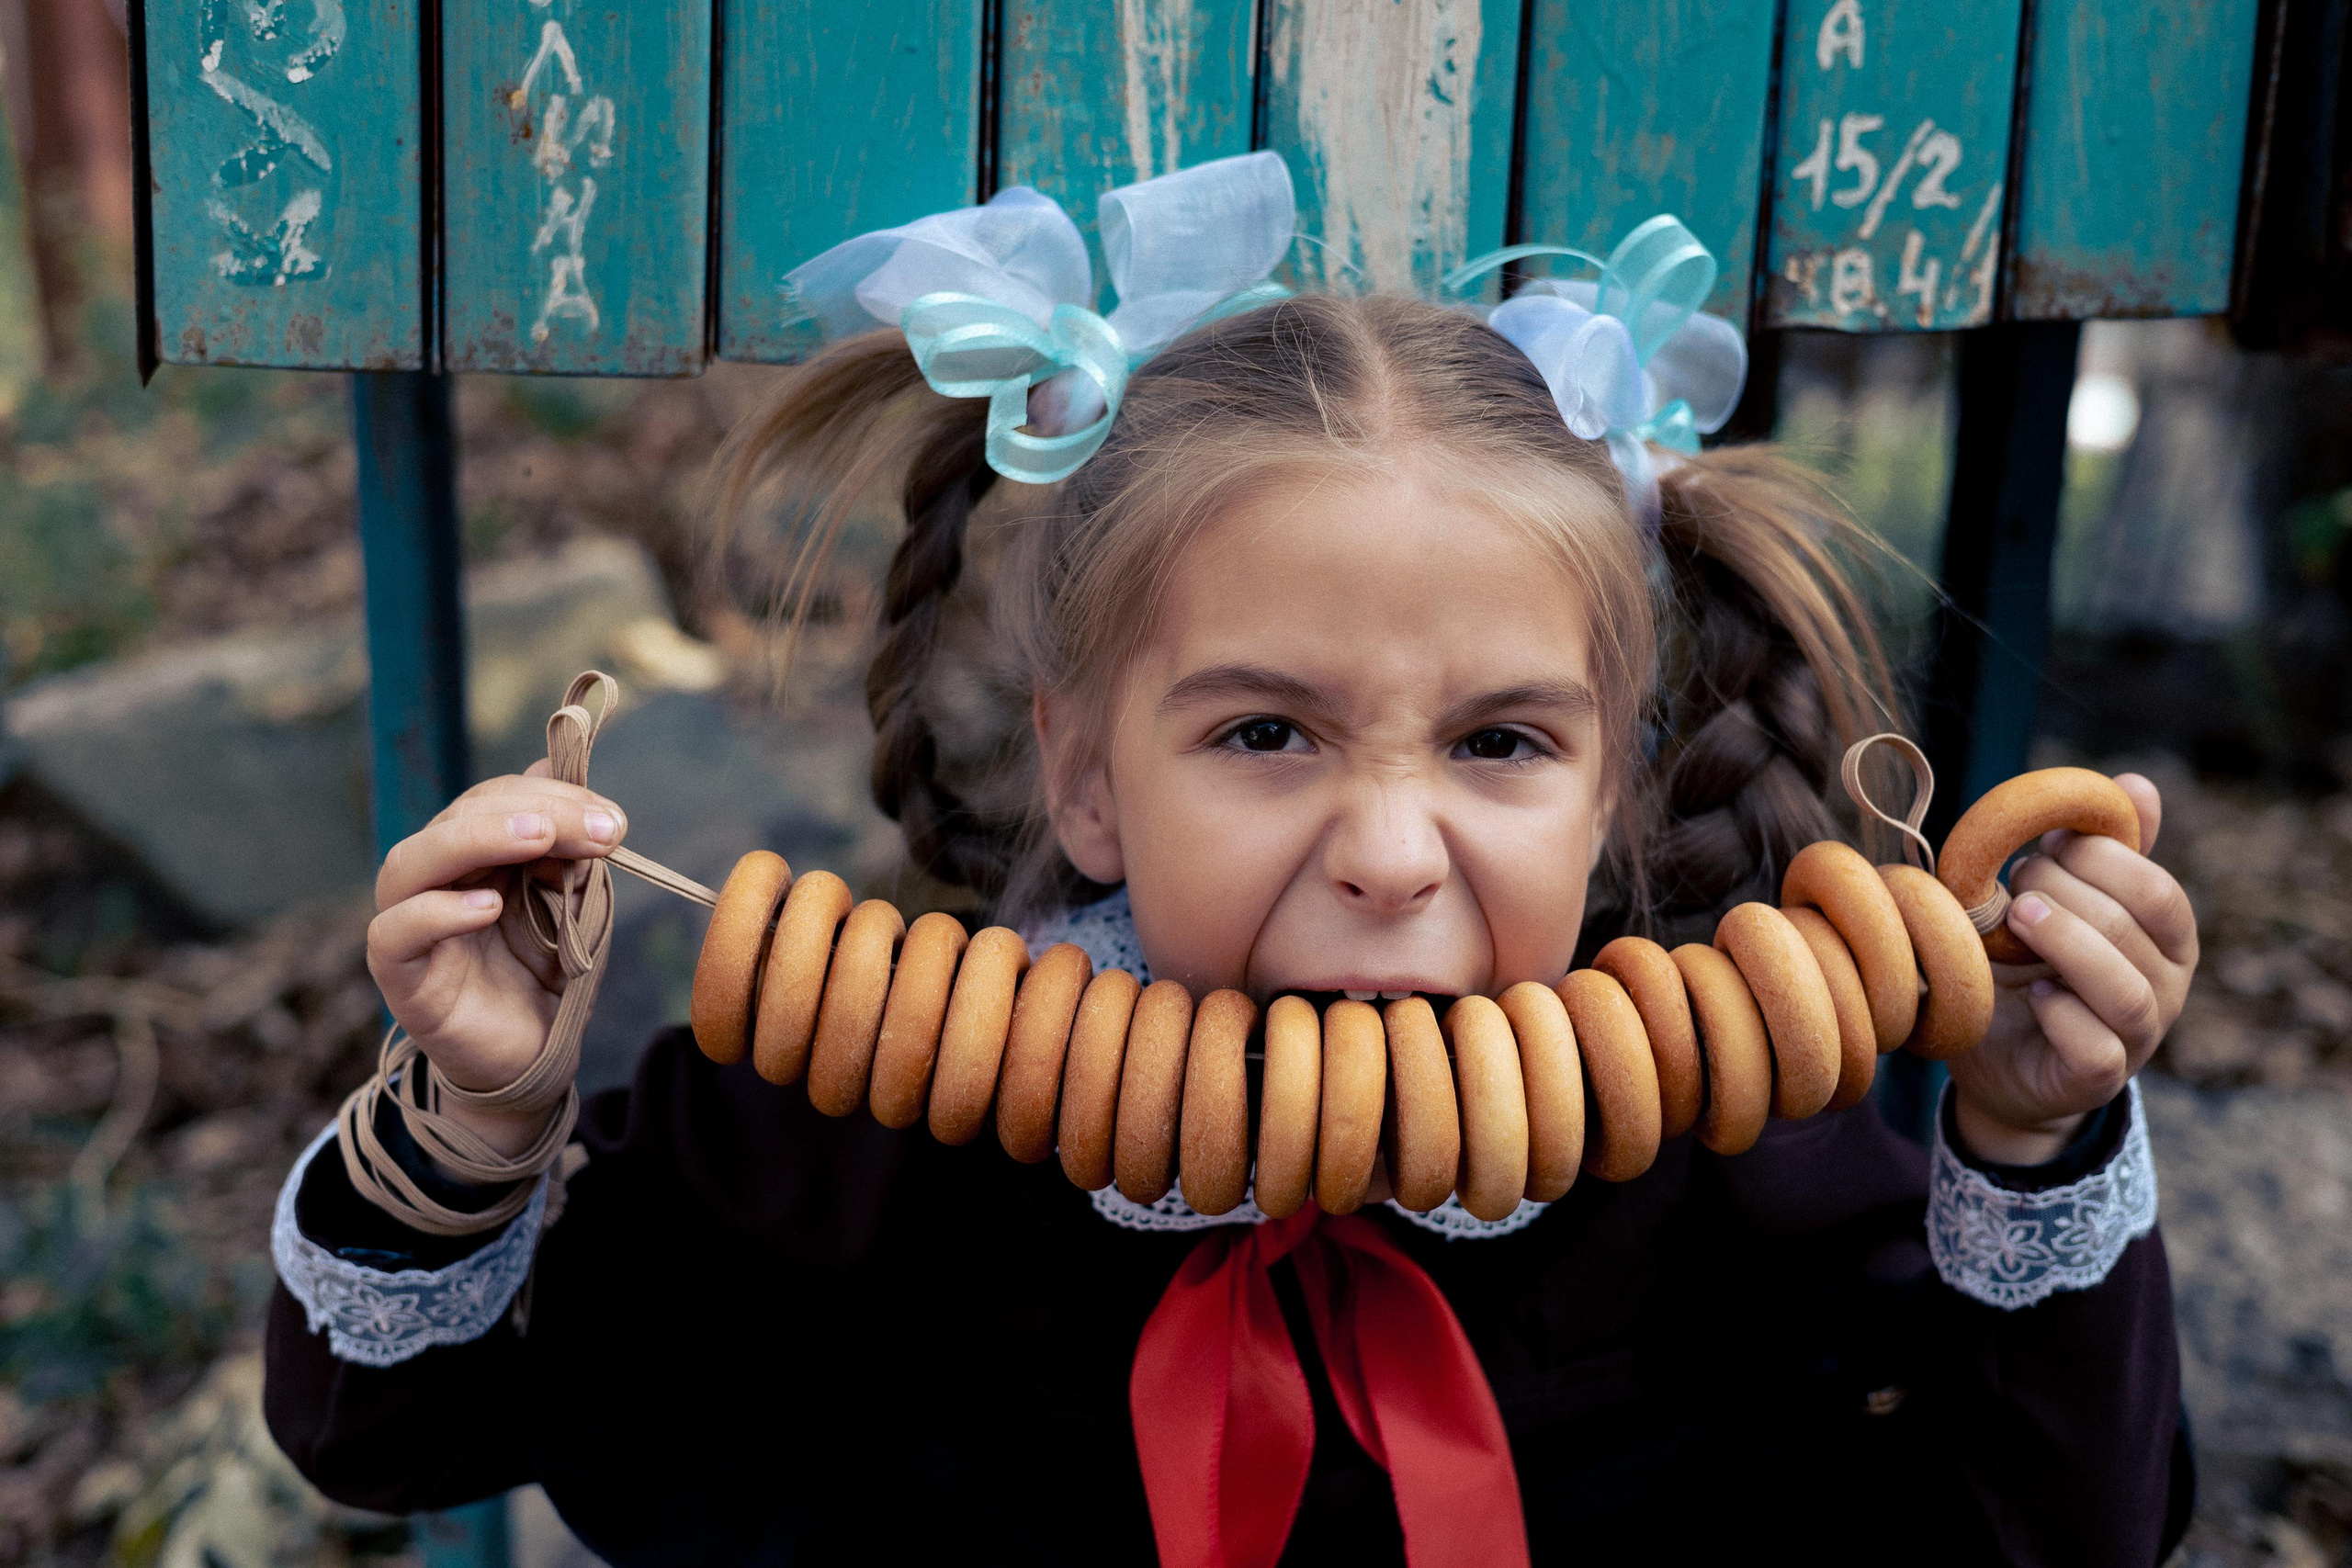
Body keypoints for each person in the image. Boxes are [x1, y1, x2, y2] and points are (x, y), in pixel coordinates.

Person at [264, 154, 2199, 1566]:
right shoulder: (861, 1132)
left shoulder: (1739, 1167)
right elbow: (393, 1428)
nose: (1382, 849)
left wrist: (2024, 1139)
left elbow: (2058, 1529)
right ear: (1086, 779)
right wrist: (475, 1122)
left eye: (1498, 742)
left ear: (1608, 789)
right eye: (1263, 733)